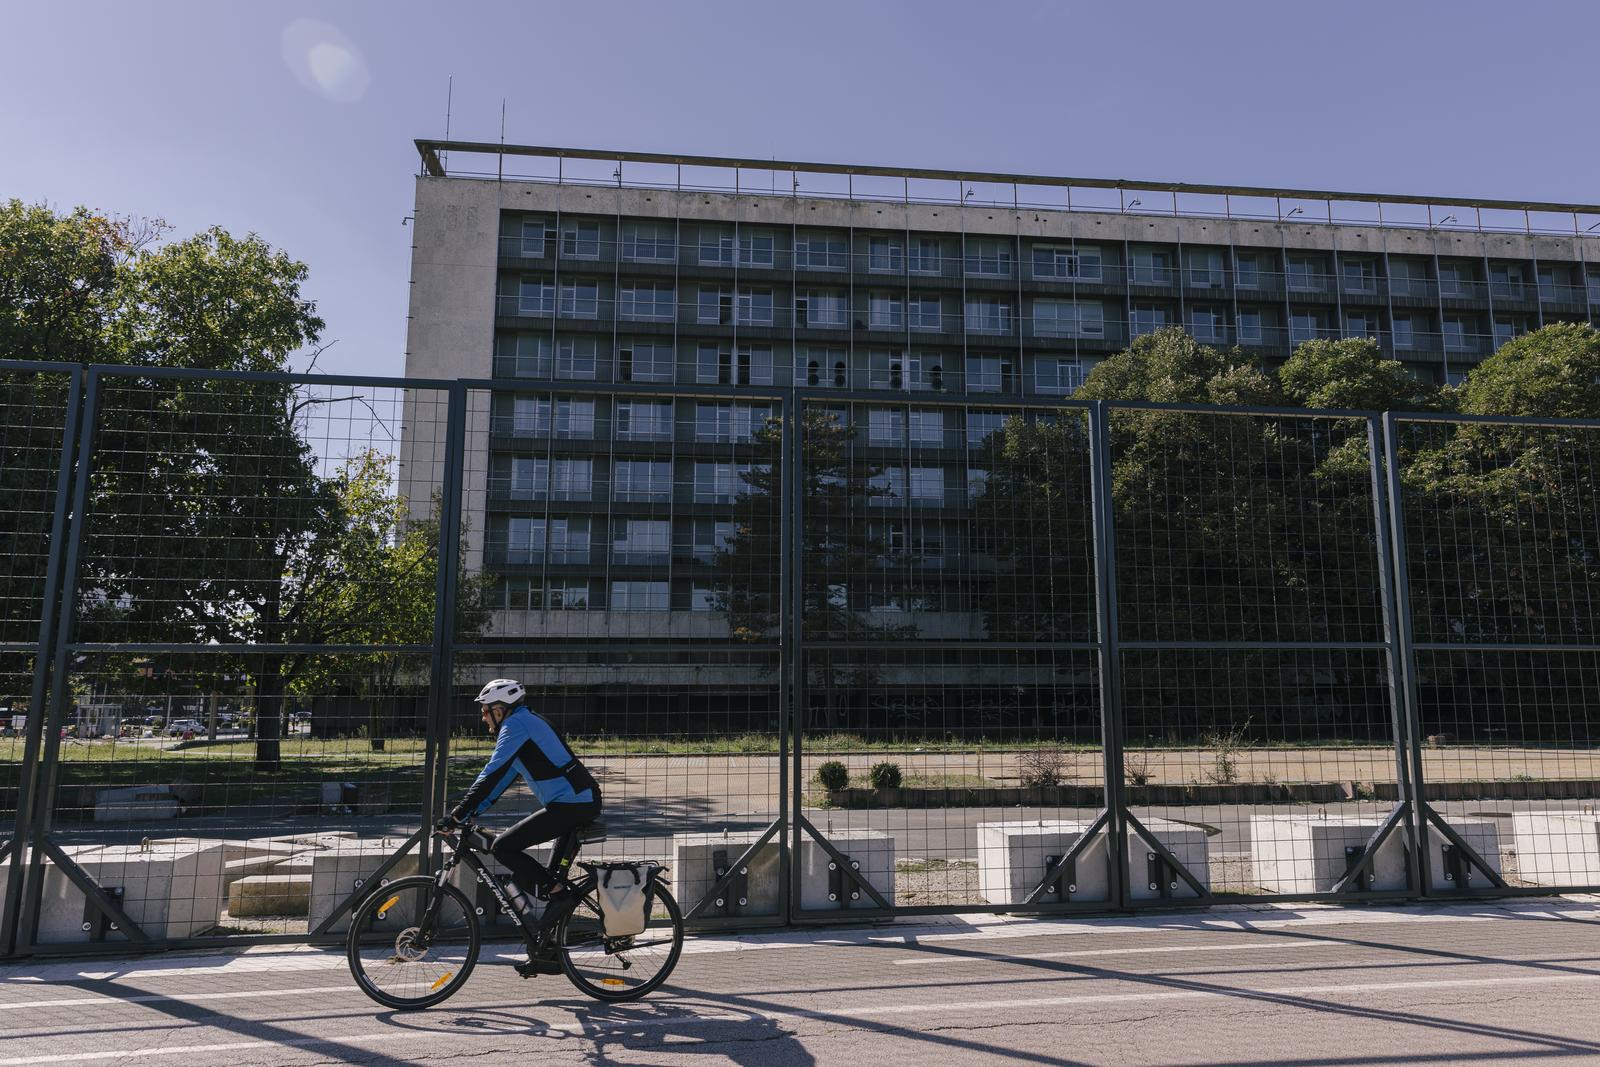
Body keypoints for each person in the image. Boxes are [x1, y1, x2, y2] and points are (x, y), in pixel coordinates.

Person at [440, 678, 601, 977]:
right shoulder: (522, 724)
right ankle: (548, 955)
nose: (483, 717)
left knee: (503, 847)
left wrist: (458, 815)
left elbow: (491, 772)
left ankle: (560, 900)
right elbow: (499, 782)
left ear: (500, 709)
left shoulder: (517, 725)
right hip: (572, 803)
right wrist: (470, 812)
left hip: (574, 804)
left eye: (485, 711)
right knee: (549, 883)